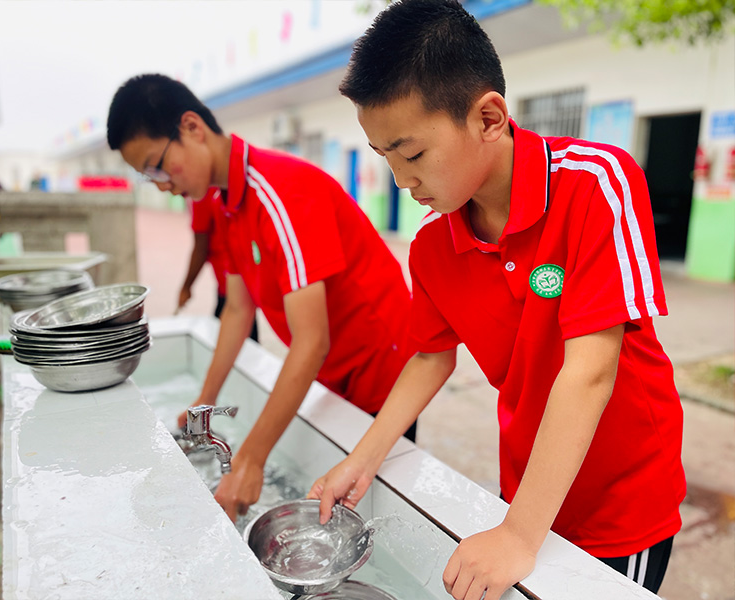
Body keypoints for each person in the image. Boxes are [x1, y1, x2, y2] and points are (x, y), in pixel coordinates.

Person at [307, 2, 685, 599]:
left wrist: (517, 533)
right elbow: (431, 356)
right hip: (529, 482)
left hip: (619, 498)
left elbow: (590, 370)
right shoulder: (433, 246)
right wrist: (363, 457)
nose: (402, 181)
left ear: (488, 117)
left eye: (413, 155)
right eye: (386, 159)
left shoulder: (594, 183)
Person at [106, 73, 413, 522]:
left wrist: (251, 459)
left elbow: (311, 341)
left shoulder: (279, 192)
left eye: (157, 167)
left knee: (378, 500)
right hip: (334, 367)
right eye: (148, 177)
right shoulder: (227, 203)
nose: (162, 185)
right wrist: (204, 401)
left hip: (383, 362)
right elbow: (237, 308)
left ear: (191, 127)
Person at [178, 186, 258, 342]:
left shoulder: (201, 193)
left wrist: (186, 287)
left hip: (232, 284)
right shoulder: (215, 195)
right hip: (237, 281)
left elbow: (200, 247)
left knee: (237, 339)